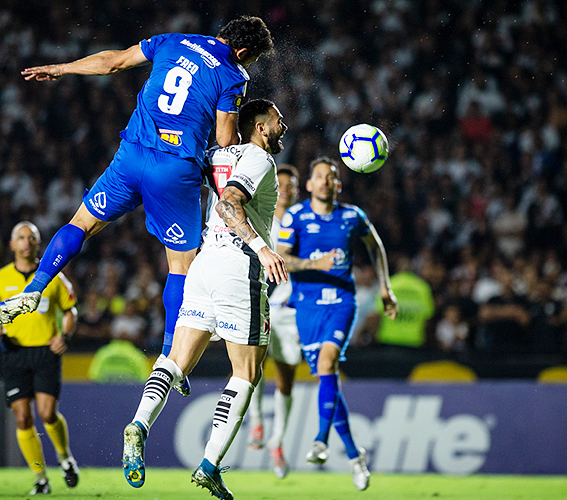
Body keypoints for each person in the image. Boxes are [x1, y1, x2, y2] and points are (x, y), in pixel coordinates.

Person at [0, 16, 274, 399]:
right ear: (242, 52)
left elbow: (112, 61)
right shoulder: (233, 74)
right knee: (181, 266)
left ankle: (36, 287)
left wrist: (62, 68)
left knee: (82, 222)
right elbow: (225, 139)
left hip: (132, 154)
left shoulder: (172, 40)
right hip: (174, 169)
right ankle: (172, 357)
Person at [121, 99, 288, 500]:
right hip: (238, 269)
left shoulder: (214, 156)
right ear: (260, 127)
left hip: (202, 265)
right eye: (278, 121)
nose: (284, 126)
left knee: (176, 360)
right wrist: (260, 248)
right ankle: (210, 465)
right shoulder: (259, 159)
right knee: (246, 374)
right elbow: (230, 202)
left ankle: (139, 424)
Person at [277, 157, 398, 491]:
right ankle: (355, 455)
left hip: (343, 302)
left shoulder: (352, 216)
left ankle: (319, 440)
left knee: (328, 363)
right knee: (326, 378)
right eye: (319, 177)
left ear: (338, 185)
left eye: (331, 177)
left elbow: (375, 245)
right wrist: (316, 262)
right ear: (310, 185)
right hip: (306, 307)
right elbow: (281, 257)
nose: (326, 182)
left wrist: (386, 288)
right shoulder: (295, 216)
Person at [0, 222, 79, 495]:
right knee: (23, 418)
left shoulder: (54, 276)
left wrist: (65, 337)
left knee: (47, 414)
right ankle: (41, 478)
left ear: (38, 244)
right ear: (12, 245)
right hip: (14, 353)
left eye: (31, 238)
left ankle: (65, 457)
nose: (26, 242)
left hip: (45, 352)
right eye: (20, 237)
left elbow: (71, 310)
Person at [244, 164, 316, 479]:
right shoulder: (259, 215)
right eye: (281, 183)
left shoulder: (305, 221)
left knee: (286, 377)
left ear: (299, 190)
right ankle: (257, 422)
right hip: (257, 303)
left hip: (288, 311)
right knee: (252, 366)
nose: (286, 188)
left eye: (292, 184)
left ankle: (278, 441)